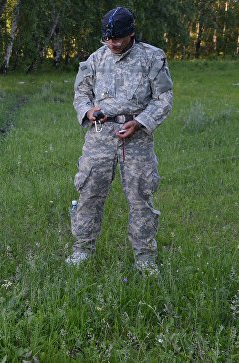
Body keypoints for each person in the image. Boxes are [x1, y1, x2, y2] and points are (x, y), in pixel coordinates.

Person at [66, 7, 173, 275]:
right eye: (108, 39)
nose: (112, 44)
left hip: (137, 137)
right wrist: (88, 111)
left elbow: (164, 99)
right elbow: (80, 95)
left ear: (131, 34)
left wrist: (140, 123)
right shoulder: (94, 59)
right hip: (100, 136)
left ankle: (145, 256)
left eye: (118, 39)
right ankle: (82, 249)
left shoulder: (152, 57)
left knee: (140, 196)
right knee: (89, 192)